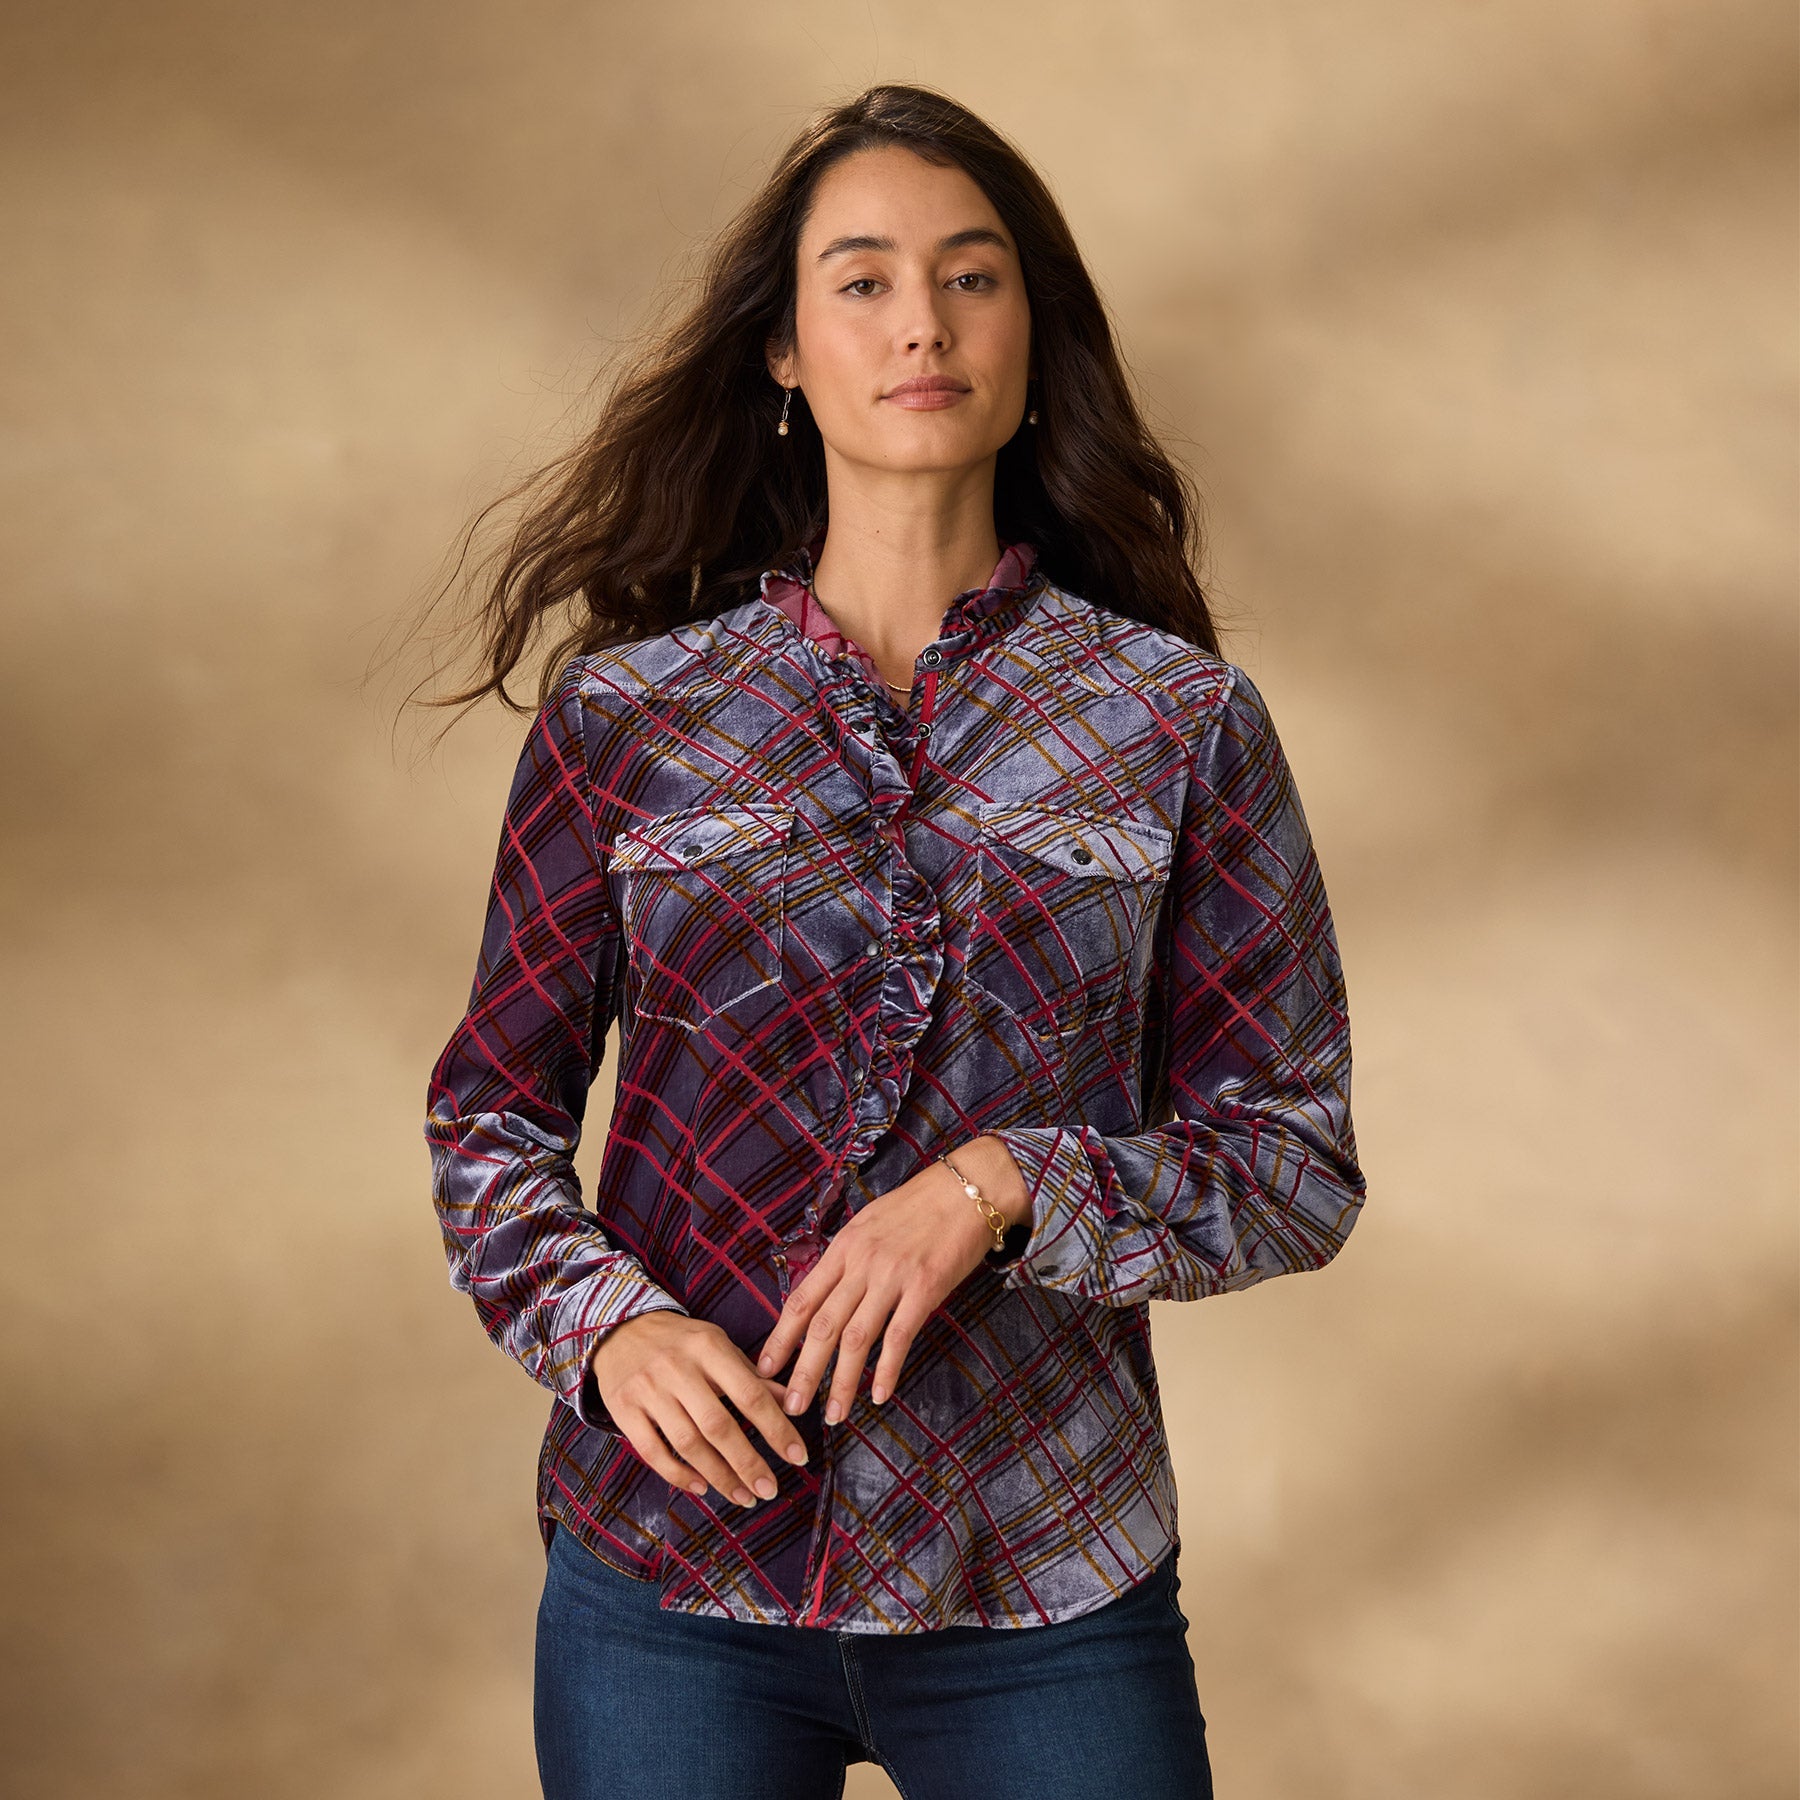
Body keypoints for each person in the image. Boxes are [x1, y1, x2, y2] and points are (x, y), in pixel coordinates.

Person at [418, 81, 1367, 1800]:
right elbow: (489, 1117)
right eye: (862, 280)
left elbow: (1295, 1164)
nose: (921, 322)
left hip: (1047, 1567)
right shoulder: (627, 721)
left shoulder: (1179, 724)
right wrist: (606, 1329)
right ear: (784, 351)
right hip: (668, 1577)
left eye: (971, 277)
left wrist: (1004, 1185)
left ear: (1033, 337)